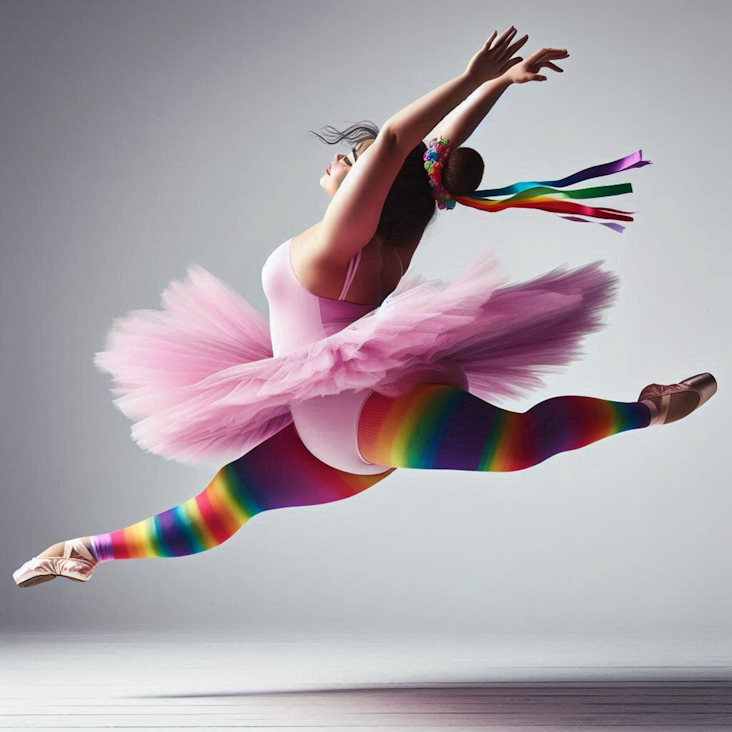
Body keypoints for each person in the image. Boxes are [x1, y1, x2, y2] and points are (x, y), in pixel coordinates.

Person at [14, 26, 716, 588]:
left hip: (367, 419)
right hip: (336, 436)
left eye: (348, 162)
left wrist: (474, 78)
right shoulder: (395, 237)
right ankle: (84, 551)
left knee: (516, 446)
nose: (338, 164)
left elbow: (399, 144)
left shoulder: (342, 243)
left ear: (370, 186)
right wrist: (495, 89)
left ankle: (650, 407)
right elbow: (432, 158)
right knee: (221, 507)